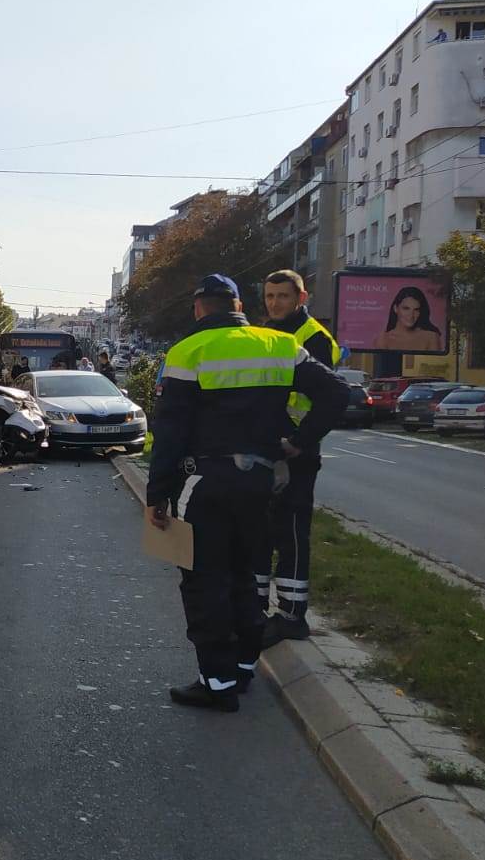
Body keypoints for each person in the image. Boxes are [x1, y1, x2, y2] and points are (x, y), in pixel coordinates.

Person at [146, 274, 347, 712]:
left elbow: (170, 431)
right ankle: (241, 667)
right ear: (238, 305)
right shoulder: (278, 344)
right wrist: (299, 441)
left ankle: (216, 683)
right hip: (261, 481)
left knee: (204, 580)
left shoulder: (188, 352)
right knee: (245, 574)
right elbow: (337, 392)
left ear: (200, 308)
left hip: (205, 482)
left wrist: (157, 494)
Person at [260, 270, 341, 645]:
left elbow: (332, 397)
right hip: (266, 449)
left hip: (296, 452)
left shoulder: (314, 339)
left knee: (291, 535)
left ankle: (292, 617)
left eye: (283, 296)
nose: (275, 303)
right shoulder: (268, 334)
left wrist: (301, 440)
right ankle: (257, 607)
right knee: (260, 533)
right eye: (270, 296)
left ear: (301, 298)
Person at [378, 286, 442, 352]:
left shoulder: (431, 337)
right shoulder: (383, 339)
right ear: (395, 308)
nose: (411, 315)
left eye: (416, 310)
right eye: (406, 308)